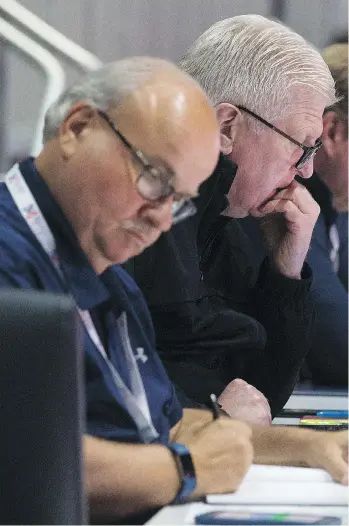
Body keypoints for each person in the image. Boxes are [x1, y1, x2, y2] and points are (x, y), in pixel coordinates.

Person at [0, 56, 347, 523]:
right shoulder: (11, 259)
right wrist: (182, 469)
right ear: (78, 127)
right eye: (155, 179)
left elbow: (165, 420)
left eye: (179, 202)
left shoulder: (109, 273)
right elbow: (26, 458)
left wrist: (308, 445)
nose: (162, 219)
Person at [127, 15, 333, 420]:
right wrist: (216, 418)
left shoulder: (229, 222)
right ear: (226, 127)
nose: (307, 172)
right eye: (301, 147)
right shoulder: (132, 216)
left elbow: (261, 397)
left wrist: (284, 274)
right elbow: (105, 389)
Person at [240, 43, 348, 388]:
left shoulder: (336, 202)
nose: (302, 166)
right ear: (333, 133)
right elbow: (341, 350)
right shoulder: (281, 199)